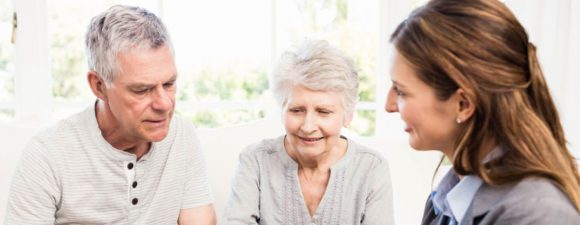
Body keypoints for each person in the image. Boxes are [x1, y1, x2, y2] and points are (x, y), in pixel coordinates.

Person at [4, 5, 216, 225]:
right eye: (142, 90)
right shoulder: (47, 155)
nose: (164, 104)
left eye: (169, 83)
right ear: (99, 86)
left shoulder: (181, 136)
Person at [385, 0, 580, 224]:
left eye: (401, 91)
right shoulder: (443, 203)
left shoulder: (538, 214)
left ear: (463, 105)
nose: (388, 105)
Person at [223, 40, 394, 225]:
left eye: (323, 112)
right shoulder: (256, 161)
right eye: (297, 110)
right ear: (282, 110)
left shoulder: (371, 168)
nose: (308, 126)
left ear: (348, 116)